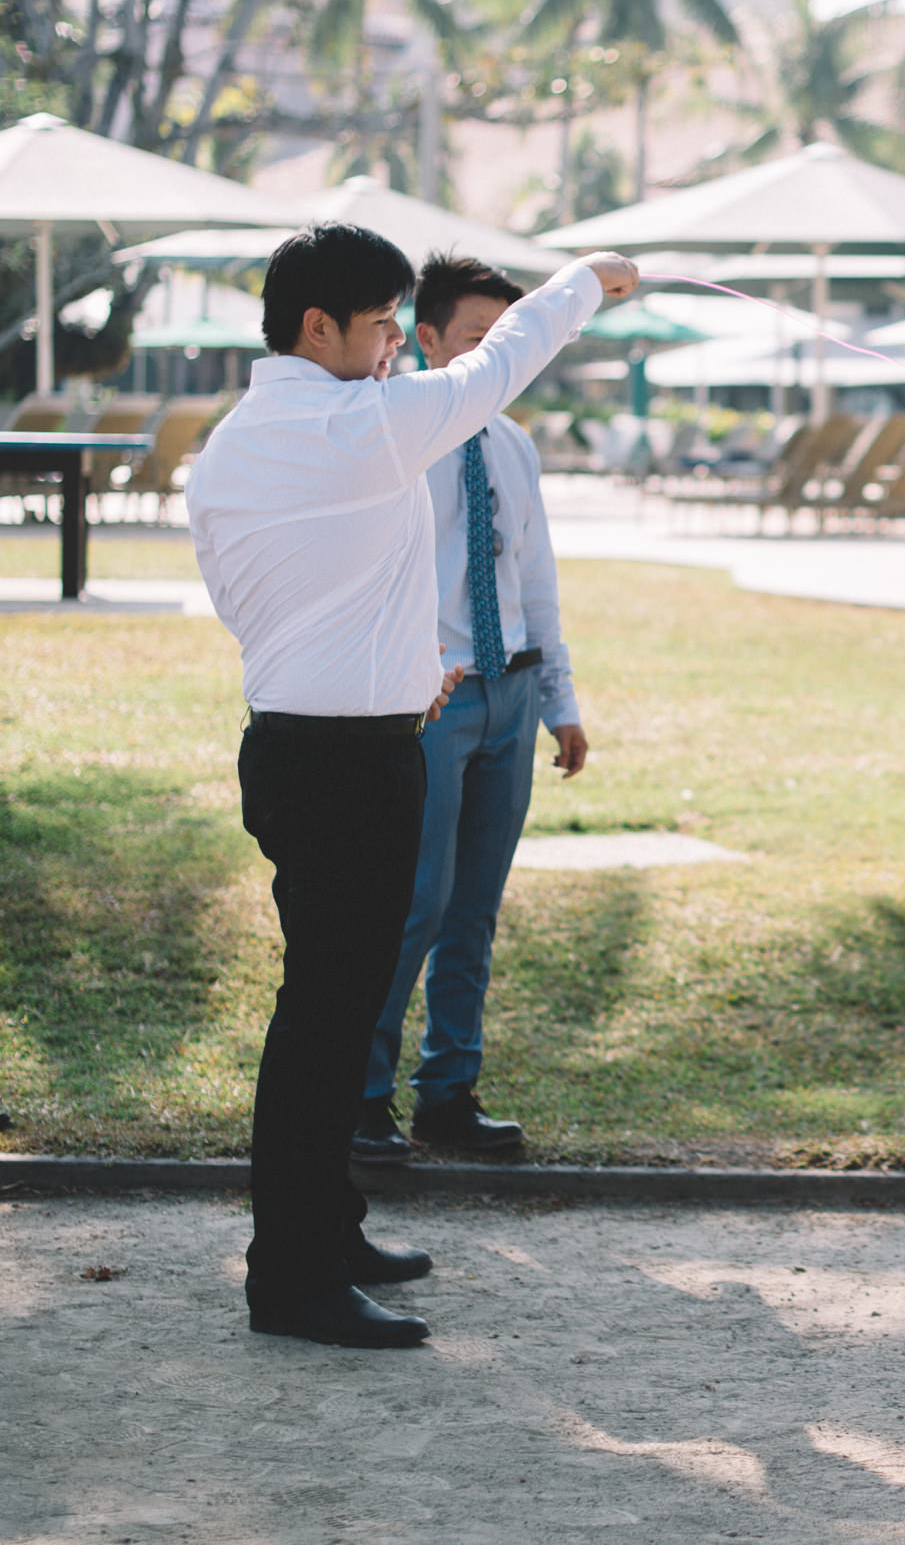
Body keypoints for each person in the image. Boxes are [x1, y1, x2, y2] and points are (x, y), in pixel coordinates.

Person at [188, 224, 636, 1348]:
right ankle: (291, 1276)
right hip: (346, 764)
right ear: (317, 326)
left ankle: (326, 1230)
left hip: (306, 740)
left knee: (330, 1018)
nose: (399, 345)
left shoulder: (240, 440)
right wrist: (585, 280)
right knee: (322, 1026)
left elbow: (277, 600)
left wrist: (390, 668)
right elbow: (497, 364)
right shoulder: (359, 423)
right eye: (386, 324)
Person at [349, 256, 591, 1165]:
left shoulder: (515, 444)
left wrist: (559, 700)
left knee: (475, 911)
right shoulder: (397, 438)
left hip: (512, 695)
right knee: (414, 901)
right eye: (480, 343)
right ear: (427, 342)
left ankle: (450, 1091)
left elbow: (536, 581)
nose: (496, 362)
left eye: (510, 344)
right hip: (433, 700)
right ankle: (364, 1100)